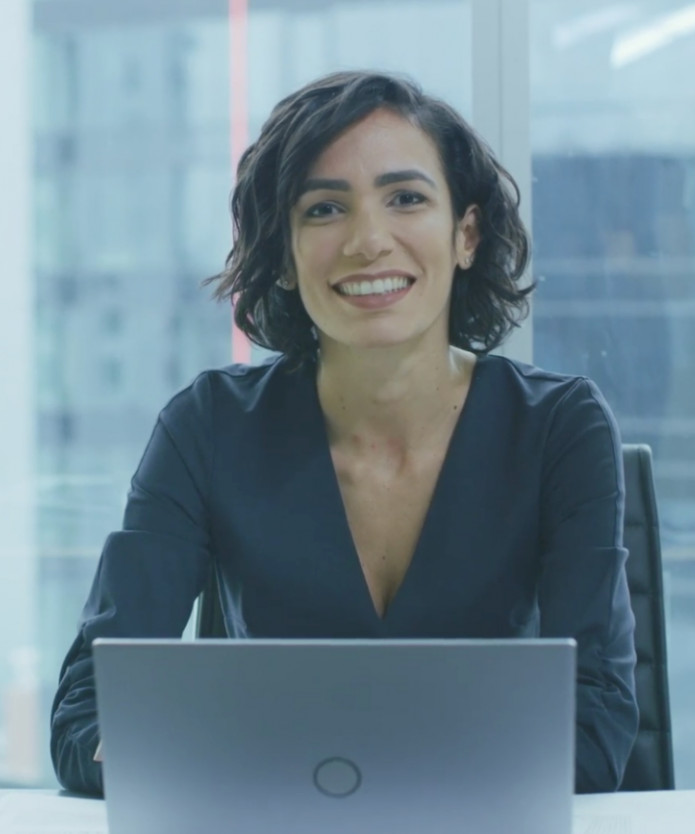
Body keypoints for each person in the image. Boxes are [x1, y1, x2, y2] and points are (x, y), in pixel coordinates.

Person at [50, 70, 638, 797]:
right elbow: (86, 715)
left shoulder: (560, 429)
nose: (368, 241)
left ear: (466, 234)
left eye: (406, 199)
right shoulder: (206, 427)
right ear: (287, 257)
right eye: (324, 209)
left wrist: (291, 764)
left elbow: (599, 730)